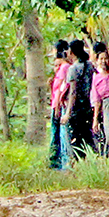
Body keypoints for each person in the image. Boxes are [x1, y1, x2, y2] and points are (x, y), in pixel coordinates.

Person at [62, 40, 96, 160]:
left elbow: (73, 92)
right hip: (89, 105)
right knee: (88, 137)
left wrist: (68, 112)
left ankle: (77, 162)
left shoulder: (73, 69)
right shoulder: (90, 65)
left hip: (78, 109)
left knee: (76, 138)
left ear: (71, 52)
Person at [91, 49, 109, 156]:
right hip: (107, 105)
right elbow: (97, 100)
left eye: (106, 58)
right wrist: (96, 120)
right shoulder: (96, 78)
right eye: (101, 59)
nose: (104, 61)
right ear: (97, 60)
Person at [49, 40, 70, 169]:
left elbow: (62, 88)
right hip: (55, 104)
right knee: (55, 134)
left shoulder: (65, 67)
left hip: (59, 105)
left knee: (61, 135)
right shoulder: (61, 68)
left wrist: (57, 105)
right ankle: (55, 162)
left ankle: (62, 164)